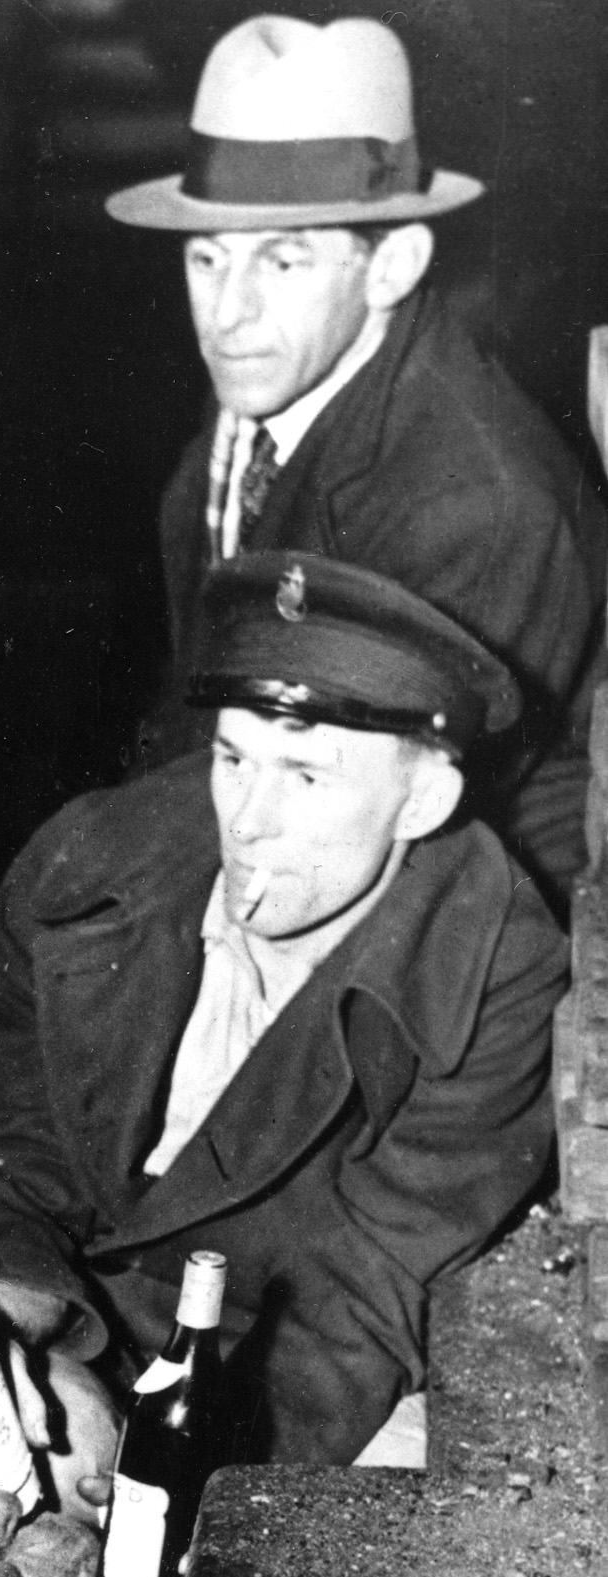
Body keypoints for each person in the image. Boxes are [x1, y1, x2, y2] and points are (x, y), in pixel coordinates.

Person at [0, 552, 568, 1557]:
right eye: (234, 758)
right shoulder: (85, 865)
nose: (249, 821)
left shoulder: (498, 972)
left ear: (421, 804)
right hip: (73, 1316)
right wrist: (4, 1340)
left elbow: (359, 1305)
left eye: (306, 776)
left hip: (271, 1369)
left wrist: (184, 1494)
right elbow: (14, 1157)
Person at [110, 13, 604, 912]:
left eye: (285, 261)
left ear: (392, 267)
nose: (229, 313)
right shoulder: (259, 403)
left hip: (464, 922)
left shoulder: (474, 501)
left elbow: (378, 826)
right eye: (206, 258)